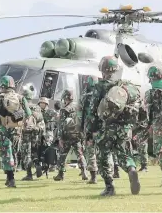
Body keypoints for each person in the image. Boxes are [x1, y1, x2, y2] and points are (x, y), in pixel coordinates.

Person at [89, 56, 141, 196]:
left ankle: (109, 187)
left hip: (107, 127)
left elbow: (92, 111)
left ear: (103, 70)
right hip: (125, 127)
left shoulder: (100, 87)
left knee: (103, 155)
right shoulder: (125, 86)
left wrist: (90, 130)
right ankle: (131, 169)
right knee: (124, 153)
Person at [0, 75, 31, 188]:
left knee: (6, 154)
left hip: (4, 129)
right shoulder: (20, 98)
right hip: (17, 130)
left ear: (2, 86)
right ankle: (8, 177)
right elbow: (28, 114)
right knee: (14, 153)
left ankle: (11, 179)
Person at [53, 89, 88, 181]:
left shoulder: (64, 109)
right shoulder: (79, 107)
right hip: (77, 135)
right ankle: (84, 171)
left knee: (62, 155)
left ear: (65, 98)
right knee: (80, 154)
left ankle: (60, 174)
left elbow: (61, 125)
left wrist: (60, 138)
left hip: (67, 136)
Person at [21, 88, 45, 180]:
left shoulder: (22, 107)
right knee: (34, 151)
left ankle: (29, 174)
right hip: (36, 133)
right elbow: (41, 122)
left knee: (26, 153)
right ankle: (37, 164)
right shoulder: (37, 108)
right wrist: (38, 129)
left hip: (25, 134)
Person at [79, 75, 99, 184]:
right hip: (101, 127)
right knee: (104, 152)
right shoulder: (102, 94)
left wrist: (82, 127)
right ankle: (111, 173)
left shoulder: (85, 97)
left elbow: (81, 114)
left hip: (90, 127)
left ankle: (94, 177)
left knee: (91, 152)